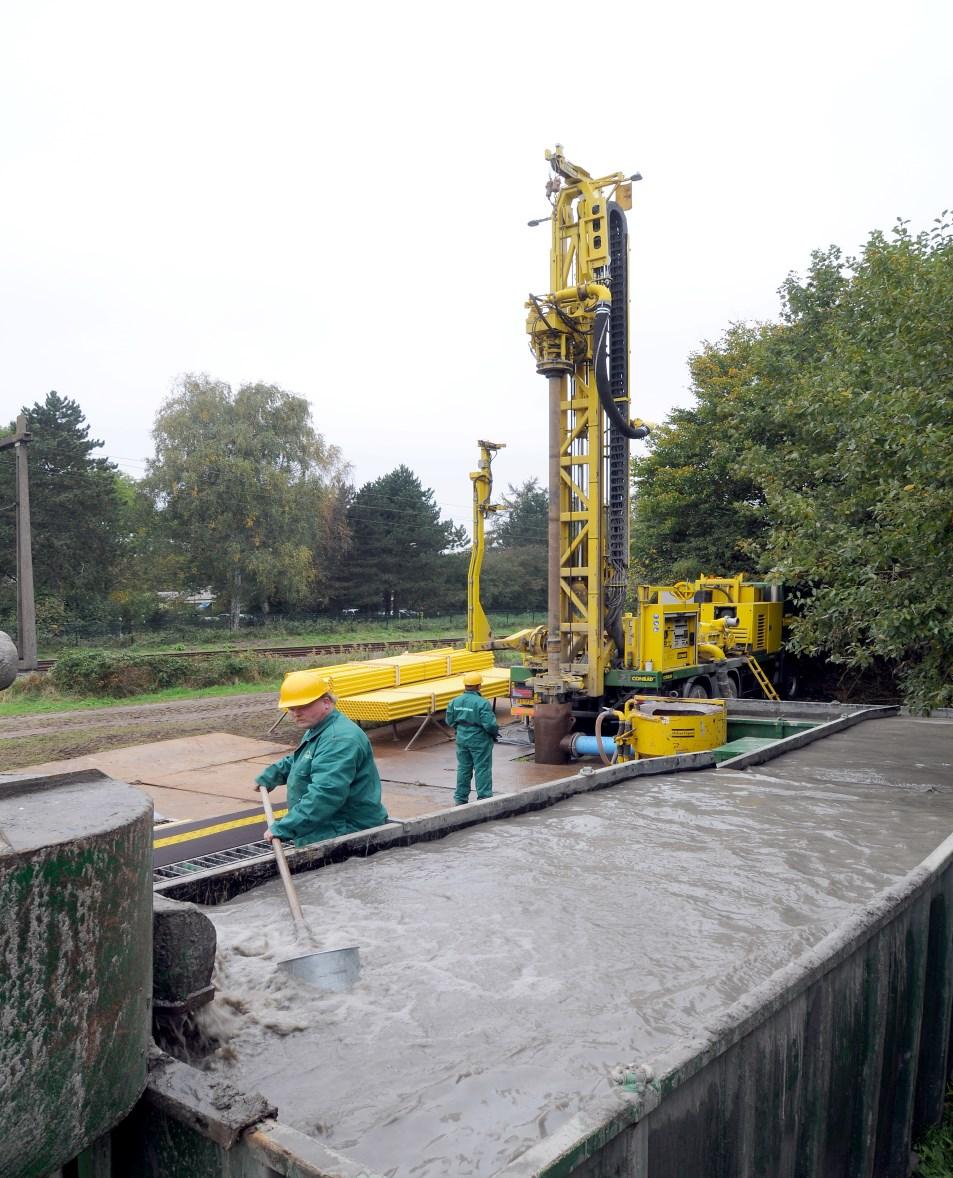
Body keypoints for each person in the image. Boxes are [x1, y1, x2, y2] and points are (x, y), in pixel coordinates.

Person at [256, 669, 389, 847]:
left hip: (344, 830)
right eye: (291, 708)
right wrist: (274, 773)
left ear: (326, 702)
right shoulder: (320, 728)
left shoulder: (339, 739)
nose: (296, 713)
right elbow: (305, 758)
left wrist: (286, 827)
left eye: (302, 706)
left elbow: (325, 793)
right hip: (327, 825)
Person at [445, 671, 499, 804]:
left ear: (465, 685)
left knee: (463, 768)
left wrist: (461, 729)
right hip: (480, 740)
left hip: (462, 739)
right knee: (482, 768)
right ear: (479, 686)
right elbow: (490, 725)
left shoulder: (454, 701)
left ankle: (460, 798)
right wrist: (494, 734)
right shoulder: (482, 703)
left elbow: (449, 720)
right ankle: (484, 798)